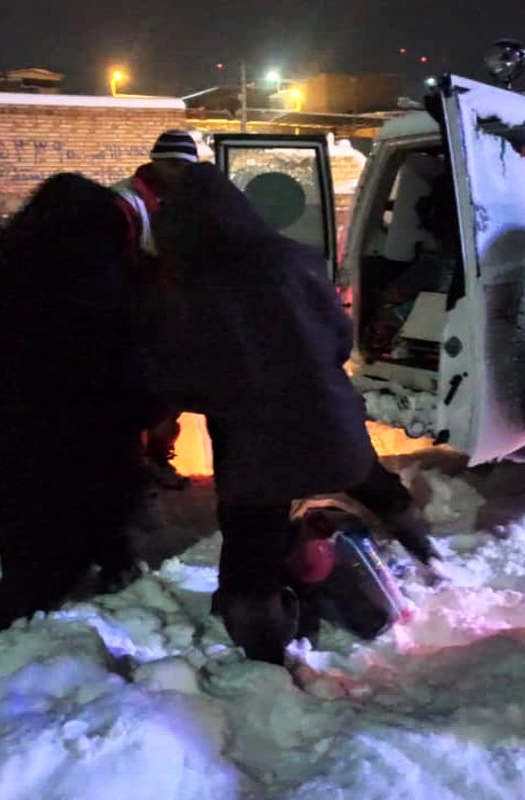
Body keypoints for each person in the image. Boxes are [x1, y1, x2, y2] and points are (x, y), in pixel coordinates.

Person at [147, 164, 439, 664]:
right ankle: (428, 554)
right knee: (370, 480)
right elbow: (338, 338)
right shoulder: (294, 259)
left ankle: (264, 656)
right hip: (328, 418)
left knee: (250, 542)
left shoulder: (183, 283)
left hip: (254, 442)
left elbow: (179, 374)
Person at [0, 173, 159, 642]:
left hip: (14, 416)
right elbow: (121, 347)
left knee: (23, 511)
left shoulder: (5, 263)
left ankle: (22, 595)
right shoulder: (94, 271)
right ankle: (48, 591)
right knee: (96, 497)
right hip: (85, 416)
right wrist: (145, 404)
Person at [113, 130, 201, 491]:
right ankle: (130, 467)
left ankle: (156, 458)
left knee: (168, 396)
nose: (181, 174)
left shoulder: (182, 199)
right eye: (175, 165)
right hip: (133, 316)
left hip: (166, 315)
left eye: (187, 167)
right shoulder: (125, 202)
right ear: (155, 161)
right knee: (134, 396)